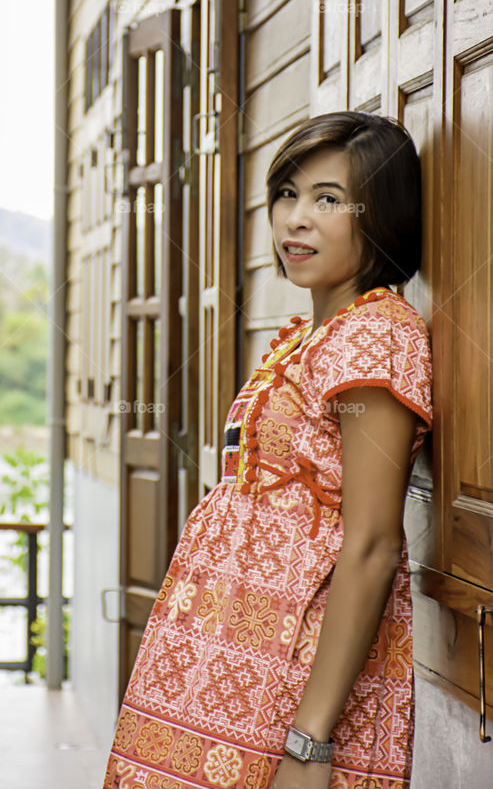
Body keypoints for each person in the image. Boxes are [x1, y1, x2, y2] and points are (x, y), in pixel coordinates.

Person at [102, 111, 433, 789]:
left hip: (285, 682)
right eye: (286, 193)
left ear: (383, 215)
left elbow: (371, 545)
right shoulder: (309, 335)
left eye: (328, 199)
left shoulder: (373, 338)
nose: (295, 220)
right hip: (226, 673)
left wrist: (308, 743)